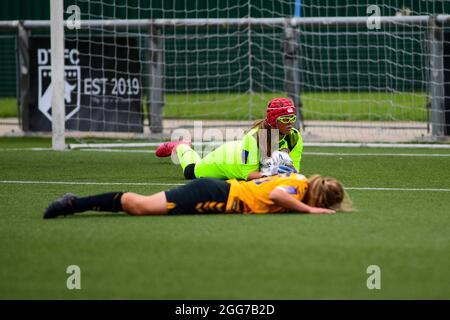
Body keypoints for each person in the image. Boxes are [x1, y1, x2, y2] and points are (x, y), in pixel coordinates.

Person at [43, 173, 352, 219]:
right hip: (212, 193)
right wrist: (308, 211)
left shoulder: (298, 178)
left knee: (139, 207)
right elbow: (275, 193)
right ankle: (75, 203)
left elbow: (259, 178)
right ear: (318, 198)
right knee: (138, 207)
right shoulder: (298, 189)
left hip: (219, 189)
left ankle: (75, 202)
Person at [155, 98, 303, 181]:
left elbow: (294, 171)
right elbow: (249, 175)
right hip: (225, 161)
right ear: (273, 121)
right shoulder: (254, 137)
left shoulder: (295, 138)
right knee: (191, 172)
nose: (290, 123)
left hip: (241, 156)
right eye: (285, 119)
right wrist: (273, 174)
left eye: (292, 118)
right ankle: (182, 146)